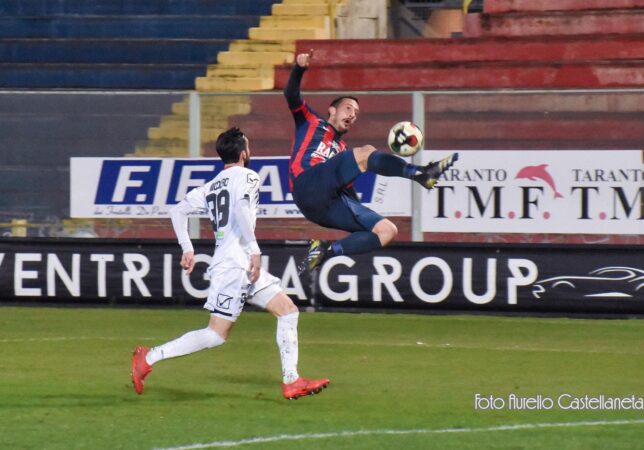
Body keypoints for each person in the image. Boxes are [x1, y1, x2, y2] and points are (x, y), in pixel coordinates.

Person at [131, 127, 329, 400]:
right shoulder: (248, 176)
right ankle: (149, 357)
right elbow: (240, 208)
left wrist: (188, 248)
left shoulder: (212, 185)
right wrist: (254, 250)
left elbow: (177, 211)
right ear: (244, 153)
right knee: (215, 335)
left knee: (288, 311)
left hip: (239, 265)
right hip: (235, 266)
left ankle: (292, 380)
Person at [284, 51, 459, 275]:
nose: (353, 115)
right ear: (332, 110)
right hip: (306, 183)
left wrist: (362, 216)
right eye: (348, 108)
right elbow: (291, 94)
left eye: (356, 113)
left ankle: (325, 251)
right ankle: (420, 173)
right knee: (366, 152)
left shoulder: (343, 150)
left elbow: (348, 193)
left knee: (386, 231)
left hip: (321, 206)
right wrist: (299, 68)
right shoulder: (311, 121)